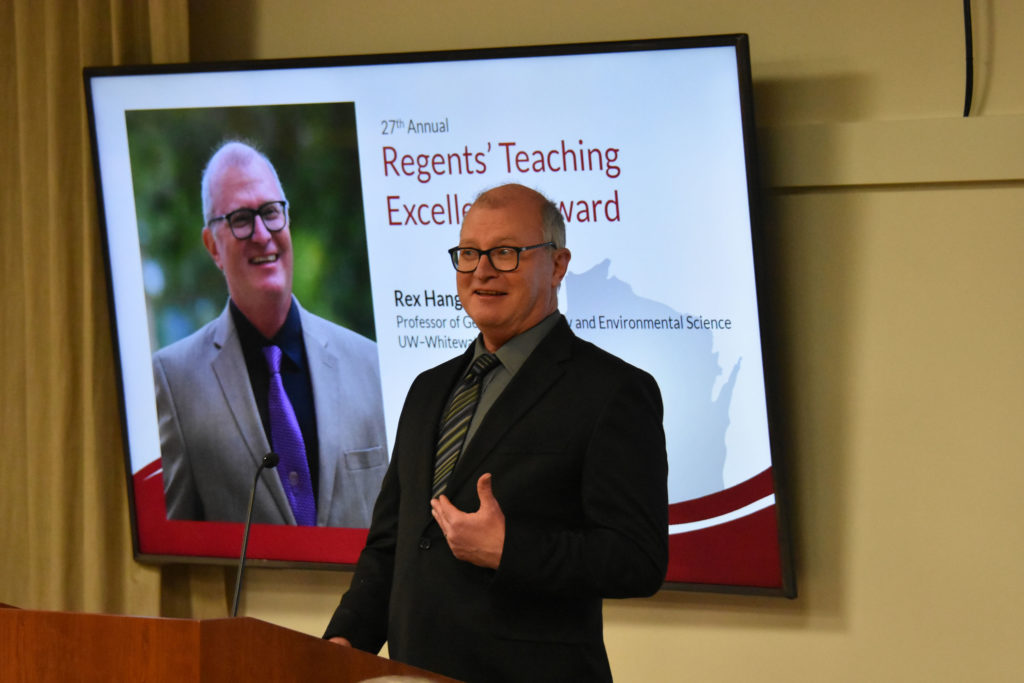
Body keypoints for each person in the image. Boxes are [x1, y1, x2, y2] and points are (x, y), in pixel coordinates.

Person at [323, 183, 668, 682]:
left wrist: (511, 549)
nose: (482, 270)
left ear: (557, 265)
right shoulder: (427, 389)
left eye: (505, 253)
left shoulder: (613, 391)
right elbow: (392, 544)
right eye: (468, 253)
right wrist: (346, 638)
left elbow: (637, 560)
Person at [153, 141, 387, 526]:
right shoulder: (173, 382)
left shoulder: (370, 365)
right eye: (241, 219)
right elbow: (180, 553)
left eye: (271, 212)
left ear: (287, 220)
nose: (262, 234)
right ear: (213, 246)